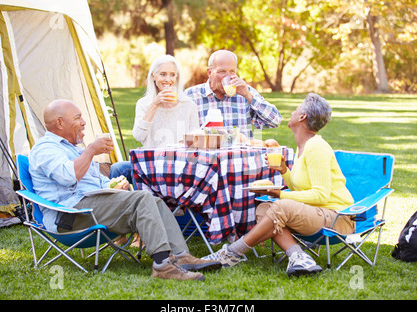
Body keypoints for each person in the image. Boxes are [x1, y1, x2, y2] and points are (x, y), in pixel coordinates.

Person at [28, 99, 221, 281]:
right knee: (142, 198)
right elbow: (68, 176)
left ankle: (181, 256)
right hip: (70, 216)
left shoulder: (73, 149)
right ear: (60, 123)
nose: (84, 122)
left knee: (154, 201)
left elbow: (95, 183)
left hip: (91, 207)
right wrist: (91, 150)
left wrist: (114, 188)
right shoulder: (45, 149)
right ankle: (163, 266)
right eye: (77, 117)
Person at [202, 93, 355, 277]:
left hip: (337, 218)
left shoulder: (316, 147)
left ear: (302, 117)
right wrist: (284, 170)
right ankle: (299, 257)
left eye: (297, 109)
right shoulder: (303, 147)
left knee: (280, 206)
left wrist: (280, 194)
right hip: (318, 213)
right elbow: (302, 189)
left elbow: (320, 195)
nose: (292, 112)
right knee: (265, 208)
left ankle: (232, 252)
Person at [110, 54, 200, 183]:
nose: (168, 79)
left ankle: (150, 200)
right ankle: (127, 201)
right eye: (163, 74)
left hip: (179, 163)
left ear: (177, 77)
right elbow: (139, 136)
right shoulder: (144, 104)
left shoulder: (188, 105)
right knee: (117, 168)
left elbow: (195, 142)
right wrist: (154, 104)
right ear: (153, 76)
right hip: (150, 162)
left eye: (172, 75)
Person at [185, 49, 282, 140]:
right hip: (207, 157)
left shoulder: (245, 93)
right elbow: (179, 133)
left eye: (232, 71)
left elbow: (275, 121)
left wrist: (249, 96)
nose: (228, 76)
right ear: (210, 72)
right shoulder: (191, 96)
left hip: (240, 157)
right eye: (222, 71)